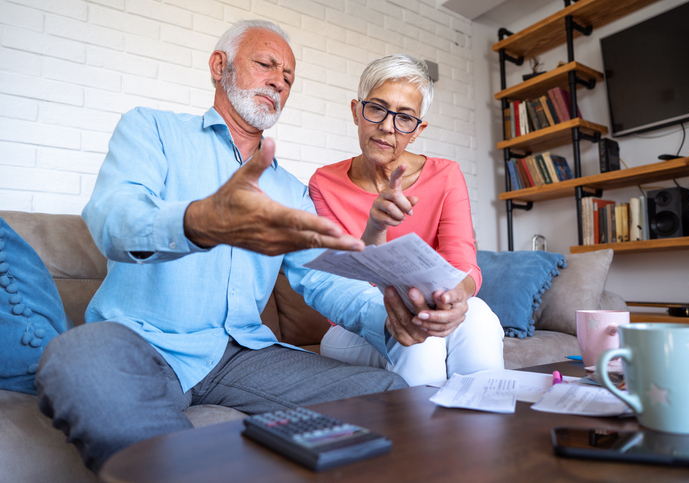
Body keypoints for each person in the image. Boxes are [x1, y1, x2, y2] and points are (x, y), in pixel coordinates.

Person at [34, 21, 463, 473]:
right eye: (266, 64)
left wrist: (397, 313)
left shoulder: (290, 190)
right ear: (220, 66)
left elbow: (321, 277)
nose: (279, 80)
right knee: (75, 358)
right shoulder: (152, 130)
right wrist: (199, 221)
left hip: (244, 355)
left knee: (391, 392)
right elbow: (113, 217)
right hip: (145, 341)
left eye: (289, 77)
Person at [309, 55, 505, 386]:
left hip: (430, 309)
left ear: (417, 131)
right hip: (354, 327)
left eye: (405, 118)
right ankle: (420, 436)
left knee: (481, 318)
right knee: (420, 338)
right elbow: (339, 283)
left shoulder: (446, 175)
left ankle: (486, 429)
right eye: (377, 109)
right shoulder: (324, 183)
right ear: (357, 111)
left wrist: (454, 300)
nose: (388, 126)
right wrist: (375, 229)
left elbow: (465, 264)